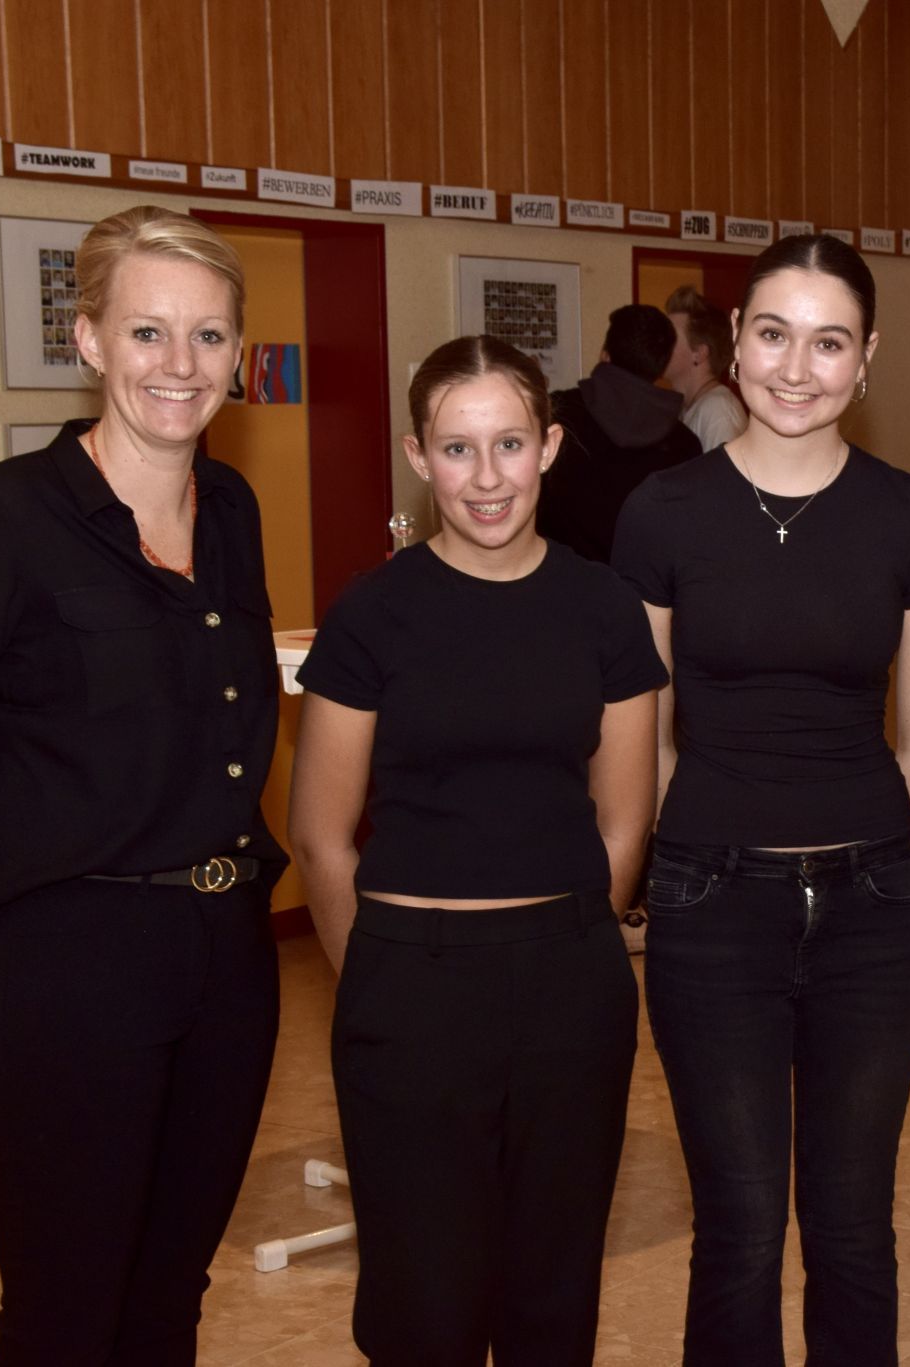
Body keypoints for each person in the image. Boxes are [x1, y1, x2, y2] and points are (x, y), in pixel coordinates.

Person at [0, 206, 279, 1364]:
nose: (178, 365)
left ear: (238, 350)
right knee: (64, 1316)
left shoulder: (230, 510)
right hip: (63, 973)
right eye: (145, 331)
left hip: (226, 963)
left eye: (207, 335)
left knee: (168, 1300)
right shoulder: (5, 524)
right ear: (87, 340)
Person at [612, 233, 910, 1366]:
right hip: (710, 904)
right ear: (731, 347)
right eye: (772, 335)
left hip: (872, 906)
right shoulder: (661, 513)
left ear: (866, 360)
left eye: (828, 341)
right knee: (743, 1226)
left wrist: (859, 846)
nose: (796, 367)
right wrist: (694, 849)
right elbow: (641, 734)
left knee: (854, 1228)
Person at [288, 336, 665, 1363]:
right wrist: (379, 977)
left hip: (567, 983)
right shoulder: (373, 612)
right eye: (458, 449)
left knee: (550, 1294)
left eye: (508, 443)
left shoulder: (602, 606)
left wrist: (573, 932)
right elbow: (321, 839)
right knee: (426, 1303)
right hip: (411, 985)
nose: (486, 477)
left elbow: (623, 819)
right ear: (419, 453)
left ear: (548, 446)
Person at [537, 302, 702, 563]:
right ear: (661, 366)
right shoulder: (686, 446)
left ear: (605, 354)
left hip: (559, 585)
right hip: (644, 596)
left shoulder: (558, 416)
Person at [663, 282, 748, 450]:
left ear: (699, 353)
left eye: (669, 336)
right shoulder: (688, 408)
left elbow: (723, 477)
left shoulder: (718, 411)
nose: (660, 342)